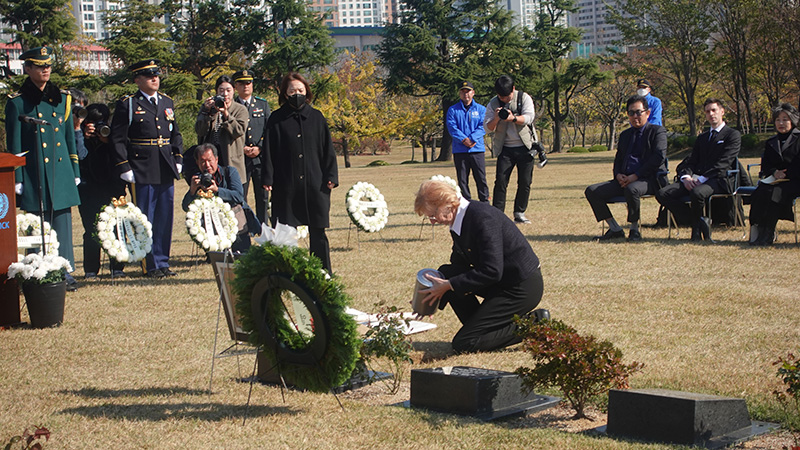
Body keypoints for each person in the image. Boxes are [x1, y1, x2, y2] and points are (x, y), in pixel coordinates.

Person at [414, 180, 543, 353]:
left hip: (520, 288)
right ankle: (481, 330)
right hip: (501, 282)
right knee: (446, 273)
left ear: (447, 204)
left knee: (464, 343)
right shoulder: (458, 218)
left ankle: (536, 323)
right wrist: (431, 298)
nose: (432, 221)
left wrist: (448, 285)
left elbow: (492, 270)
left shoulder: (482, 217)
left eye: (432, 215)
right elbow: (458, 264)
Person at [6, 46, 81, 291]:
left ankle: (64, 269)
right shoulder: (18, 104)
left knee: (61, 223)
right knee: (36, 226)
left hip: (60, 174)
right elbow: (15, 146)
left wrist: (75, 171)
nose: (45, 69)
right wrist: (17, 177)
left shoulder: (63, 99)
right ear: (27, 69)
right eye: (39, 65)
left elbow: (70, 138)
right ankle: (36, 269)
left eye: (48, 64)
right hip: (33, 173)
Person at [110, 59, 184, 279]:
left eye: (157, 75)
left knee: (164, 216)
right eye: (149, 76)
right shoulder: (129, 104)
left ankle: (163, 261)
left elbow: (175, 133)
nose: (155, 79)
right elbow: (118, 138)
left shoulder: (167, 102)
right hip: (141, 166)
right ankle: (149, 264)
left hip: (164, 165)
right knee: (145, 217)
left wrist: (178, 157)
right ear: (137, 80)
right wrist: (124, 166)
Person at [261, 72, 338, 273]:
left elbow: (327, 149)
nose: (297, 94)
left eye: (300, 90)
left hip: (315, 184)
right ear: (285, 94)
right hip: (286, 185)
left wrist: (331, 176)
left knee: (318, 232)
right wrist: (267, 177)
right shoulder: (276, 119)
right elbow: (268, 150)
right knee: (286, 231)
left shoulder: (317, 117)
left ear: (307, 92)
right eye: (292, 90)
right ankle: (287, 273)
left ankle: (323, 274)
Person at [656, 98, 740, 242]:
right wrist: (686, 177)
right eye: (707, 111)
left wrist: (701, 179)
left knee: (697, 192)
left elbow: (724, 163)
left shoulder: (732, 135)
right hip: (696, 179)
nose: (711, 114)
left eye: (714, 110)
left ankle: (696, 231)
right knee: (663, 193)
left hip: (719, 179)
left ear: (722, 112)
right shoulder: (702, 138)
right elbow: (692, 161)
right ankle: (697, 221)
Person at [585, 95, 668, 242]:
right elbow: (619, 159)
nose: (635, 116)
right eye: (631, 113)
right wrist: (618, 175)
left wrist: (635, 175)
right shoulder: (625, 135)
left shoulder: (657, 132)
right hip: (624, 179)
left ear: (647, 113)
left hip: (648, 179)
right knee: (592, 191)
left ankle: (634, 229)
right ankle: (615, 228)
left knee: (632, 189)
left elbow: (658, 158)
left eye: (638, 112)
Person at [77, 104, 128, 278]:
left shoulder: (114, 134)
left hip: (113, 186)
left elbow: (122, 156)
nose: (98, 127)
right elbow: (80, 156)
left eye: (102, 122)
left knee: (116, 227)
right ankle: (91, 269)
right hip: (88, 187)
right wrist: (82, 136)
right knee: (91, 229)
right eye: (92, 122)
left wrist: (109, 142)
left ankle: (117, 266)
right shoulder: (80, 135)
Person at [485, 75, 538, 224]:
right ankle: (497, 214)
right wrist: (496, 118)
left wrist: (512, 118)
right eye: (501, 97)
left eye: (507, 97)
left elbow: (529, 118)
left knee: (525, 182)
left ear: (513, 89)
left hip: (525, 147)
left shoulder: (523, 98)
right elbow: (487, 128)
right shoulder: (493, 103)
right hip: (505, 149)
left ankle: (519, 212)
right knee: (501, 181)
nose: (504, 100)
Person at [182, 143, 252, 253]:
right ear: (197, 163)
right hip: (212, 231)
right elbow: (185, 207)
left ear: (216, 159)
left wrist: (217, 190)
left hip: (236, 225)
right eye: (202, 161)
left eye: (210, 160)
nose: (207, 165)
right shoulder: (198, 179)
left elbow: (238, 196)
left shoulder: (229, 172)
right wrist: (192, 191)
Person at [747, 103, 800, 246]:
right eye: (778, 120)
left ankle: (768, 232)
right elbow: (765, 165)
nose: (781, 123)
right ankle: (760, 230)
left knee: (774, 193)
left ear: (793, 120)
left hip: (795, 180)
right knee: (760, 192)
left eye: (785, 119)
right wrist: (774, 172)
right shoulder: (771, 142)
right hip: (775, 180)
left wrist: (786, 174)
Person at [195, 75, 248, 186]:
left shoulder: (240, 109)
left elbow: (238, 131)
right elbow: (200, 131)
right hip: (212, 159)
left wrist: (226, 114)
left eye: (228, 90)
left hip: (231, 159)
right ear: (216, 91)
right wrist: (206, 112)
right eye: (221, 90)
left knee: (235, 197)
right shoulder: (209, 107)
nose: (225, 94)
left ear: (234, 90)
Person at [233, 69, 271, 225]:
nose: (246, 86)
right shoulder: (231, 106)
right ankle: (244, 228)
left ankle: (263, 228)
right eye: (241, 83)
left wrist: (260, 148)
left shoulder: (262, 104)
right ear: (235, 86)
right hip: (239, 159)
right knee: (240, 196)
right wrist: (241, 148)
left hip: (259, 159)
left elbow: (268, 130)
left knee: (262, 196)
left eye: (248, 83)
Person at [446, 81, 489, 202]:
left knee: (481, 178)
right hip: (460, 150)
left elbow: (483, 126)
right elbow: (452, 127)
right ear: (459, 93)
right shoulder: (453, 110)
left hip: (477, 149)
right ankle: (465, 205)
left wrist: (472, 138)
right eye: (463, 92)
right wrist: (464, 139)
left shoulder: (481, 109)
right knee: (462, 180)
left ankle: (485, 203)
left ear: (473, 93)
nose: (466, 94)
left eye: (468, 91)